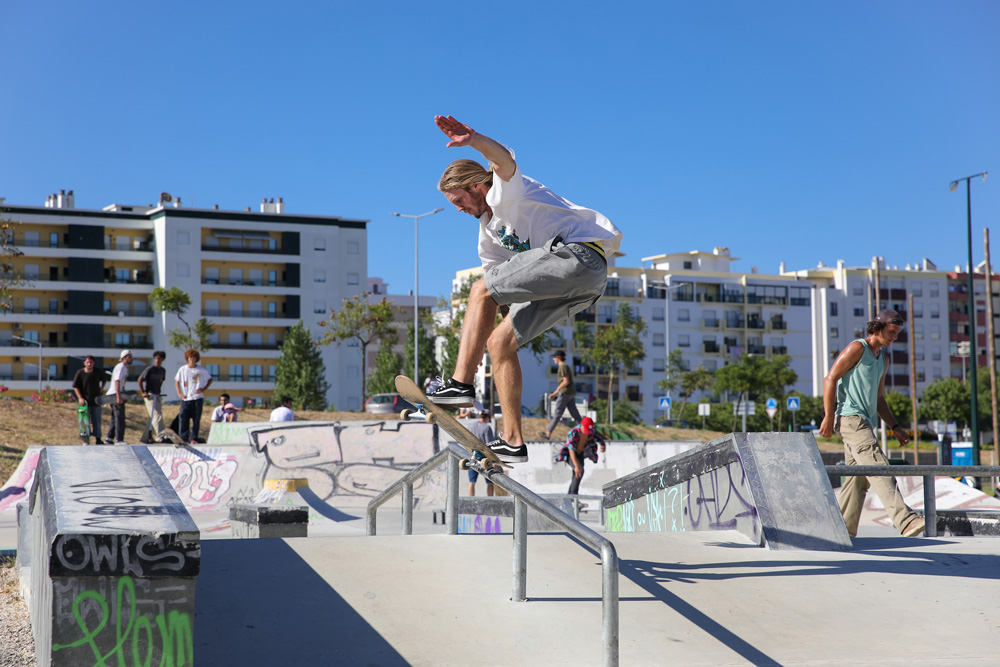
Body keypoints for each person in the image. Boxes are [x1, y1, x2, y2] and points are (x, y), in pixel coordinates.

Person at [426, 115, 622, 465]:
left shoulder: (504, 192)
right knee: (500, 342)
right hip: (579, 286)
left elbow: (504, 161)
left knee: (479, 288)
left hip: (579, 256)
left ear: (475, 187)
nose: (458, 209)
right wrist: (506, 332)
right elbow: (501, 297)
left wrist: (474, 139)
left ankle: (460, 384)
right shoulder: (487, 237)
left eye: (459, 200)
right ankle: (513, 440)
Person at [819, 309, 925, 538]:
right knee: (877, 464)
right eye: (891, 331)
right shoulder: (858, 348)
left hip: (866, 420)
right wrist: (828, 415)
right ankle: (905, 520)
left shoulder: (883, 359)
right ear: (877, 328)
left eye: (898, 332)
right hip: (850, 418)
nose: (895, 337)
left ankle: (842, 530)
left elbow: (878, 399)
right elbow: (830, 378)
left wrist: (895, 427)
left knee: (858, 478)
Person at [555, 417, 606, 495]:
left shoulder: (592, 432)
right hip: (570, 454)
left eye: (588, 431)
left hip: (580, 454)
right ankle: (573, 497)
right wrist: (576, 466)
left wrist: (603, 445)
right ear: (581, 425)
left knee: (577, 475)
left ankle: (569, 498)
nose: (587, 433)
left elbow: (600, 439)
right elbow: (571, 449)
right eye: (585, 430)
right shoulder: (573, 432)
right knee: (579, 471)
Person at [541, 350, 582, 440]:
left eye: (554, 357)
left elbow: (566, 381)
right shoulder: (565, 366)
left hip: (565, 393)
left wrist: (555, 392)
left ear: (558, 357)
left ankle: (548, 433)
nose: (553, 359)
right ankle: (584, 430)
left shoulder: (562, 367)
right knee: (575, 414)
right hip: (570, 393)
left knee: (557, 413)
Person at [175, 348, 212, 445]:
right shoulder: (182, 369)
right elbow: (177, 380)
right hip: (186, 398)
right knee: (183, 418)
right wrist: (179, 393)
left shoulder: (200, 369)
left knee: (196, 419)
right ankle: (183, 437)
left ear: (197, 358)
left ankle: (194, 438)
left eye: (194, 357)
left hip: (197, 398)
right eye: (190, 357)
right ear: (187, 358)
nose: (192, 359)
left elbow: (210, 379)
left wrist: (203, 389)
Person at [72, 355, 106, 445]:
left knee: (97, 421)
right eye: (88, 362)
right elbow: (75, 386)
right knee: (84, 422)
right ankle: (86, 440)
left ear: (94, 363)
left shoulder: (97, 372)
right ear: (84, 363)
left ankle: (98, 439)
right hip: (85, 402)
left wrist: (101, 389)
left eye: (91, 362)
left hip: (96, 401)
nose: (89, 364)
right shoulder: (80, 373)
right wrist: (80, 397)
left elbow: (104, 380)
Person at [104, 349, 132, 445]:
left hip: (117, 394)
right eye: (129, 357)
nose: (131, 359)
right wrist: (118, 397)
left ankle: (109, 438)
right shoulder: (121, 367)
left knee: (114, 417)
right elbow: (117, 381)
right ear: (124, 358)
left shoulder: (124, 368)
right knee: (119, 417)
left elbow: (121, 384)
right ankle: (119, 440)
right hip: (115, 395)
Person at [138, 350, 167, 444]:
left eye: (159, 359)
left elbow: (161, 381)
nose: (157, 360)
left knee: (153, 417)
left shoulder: (162, 370)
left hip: (157, 395)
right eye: (156, 358)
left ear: (163, 359)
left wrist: (158, 391)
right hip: (149, 395)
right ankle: (160, 436)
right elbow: (140, 379)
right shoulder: (150, 369)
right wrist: (143, 392)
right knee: (157, 415)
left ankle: (145, 437)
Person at [467, 411, 496, 497]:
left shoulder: (471, 426)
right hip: (484, 459)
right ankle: (490, 501)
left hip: (473, 457)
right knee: (490, 483)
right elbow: (489, 445)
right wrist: (493, 461)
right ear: (487, 418)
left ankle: (471, 502)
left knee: (471, 482)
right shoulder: (487, 428)